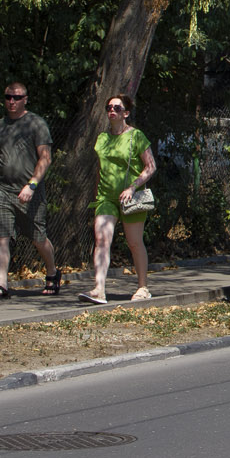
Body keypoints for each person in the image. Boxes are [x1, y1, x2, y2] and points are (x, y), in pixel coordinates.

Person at [0, 82, 60, 299]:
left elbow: (45, 158)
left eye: (16, 97)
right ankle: (2, 285)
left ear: (25, 98)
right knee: (1, 236)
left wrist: (32, 185)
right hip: (3, 190)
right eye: (8, 97)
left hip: (29, 192)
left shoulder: (36, 123)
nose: (12, 101)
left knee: (38, 238)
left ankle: (52, 272)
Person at [78, 94, 157, 304]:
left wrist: (132, 187)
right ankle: (99, 289)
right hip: (106, 197)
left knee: (134, 242)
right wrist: (97, 194)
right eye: (109, 107)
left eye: (117, 108)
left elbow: (151, 167)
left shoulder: (136, 136)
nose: (112, 110)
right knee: (102, 240)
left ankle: (143, 287)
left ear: (126, 113)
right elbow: (100, 169)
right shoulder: (102, 138)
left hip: (131, 198)